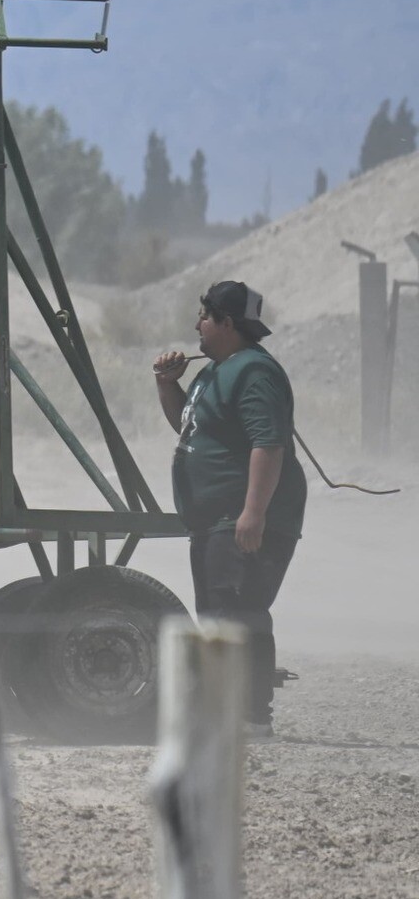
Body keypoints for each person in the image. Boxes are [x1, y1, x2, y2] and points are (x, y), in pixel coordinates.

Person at [153, 280, 306, 738]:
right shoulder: (216, 370)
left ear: (227, 322)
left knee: (240, 611)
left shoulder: (254, 371)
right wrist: (166, 384)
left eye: (204, 315)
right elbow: (190, 425)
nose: (196, 325)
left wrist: (253, 513)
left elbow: (269, 443)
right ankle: (229, 711)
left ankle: (251, 716)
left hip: (243, 519)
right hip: (215, 520)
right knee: (219, 613)